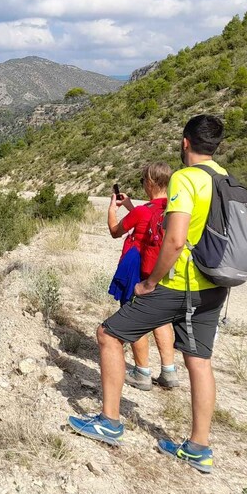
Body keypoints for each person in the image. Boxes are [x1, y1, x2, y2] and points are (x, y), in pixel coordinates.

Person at [68, 115, 231, 474]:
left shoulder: (185, 178)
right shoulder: (224, 179)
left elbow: (174, 239)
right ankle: (198, 447)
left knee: (108, 335)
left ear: (185, 142)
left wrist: (150, 282)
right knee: (200, 361)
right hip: (214, 287)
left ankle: (109, 422)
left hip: (179, 284)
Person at [106, 162, 178, 391]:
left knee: (134, 320)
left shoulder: (142, 211)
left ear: (150, 182)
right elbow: (148, 218)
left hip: (139, 274)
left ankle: (142, 372)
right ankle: (169, 372)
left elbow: (115, 231)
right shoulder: (174, 210)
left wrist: (112, 208)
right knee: (162, 319)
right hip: (164, 272)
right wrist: (129, 205)